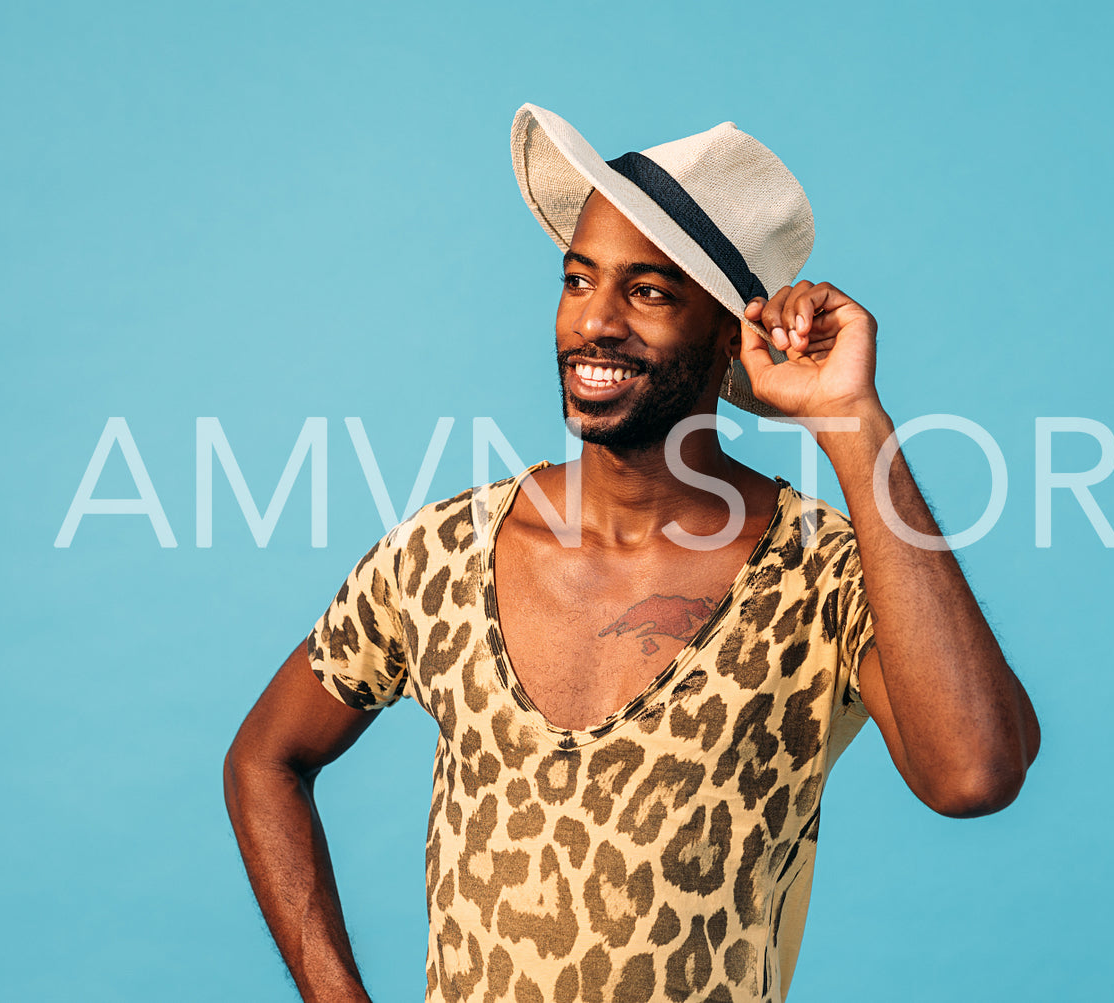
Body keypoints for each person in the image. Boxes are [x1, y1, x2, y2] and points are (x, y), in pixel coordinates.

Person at [224, 103, 1040, 1003]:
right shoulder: (443, 553)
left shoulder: (818, 574)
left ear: (731, 333)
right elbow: (265, 758)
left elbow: (973, 773)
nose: (595, 323)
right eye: (579, 280)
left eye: (648, 291)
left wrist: (853, 424)